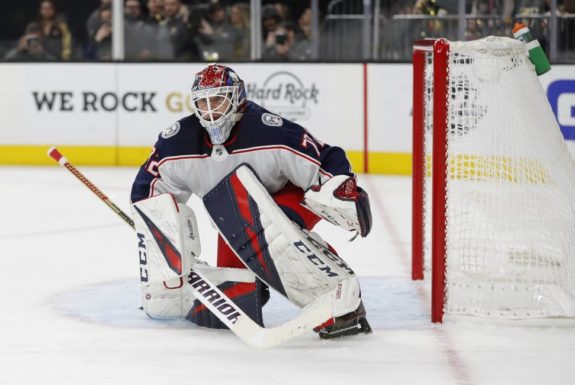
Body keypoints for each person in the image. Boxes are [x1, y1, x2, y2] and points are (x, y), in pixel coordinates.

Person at [130, 64, 373, 340]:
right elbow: (148, 190)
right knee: (234, 296)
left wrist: (342, 188)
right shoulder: (177, 143)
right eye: (203, 101)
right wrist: (154, 224)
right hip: (232, 219)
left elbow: (326, 156)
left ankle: (340, 301)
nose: (210, 109)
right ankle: (259, 283)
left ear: (237, 99)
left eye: (218, 99)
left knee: (276, 237)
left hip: (287, 200)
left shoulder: (269, 131)